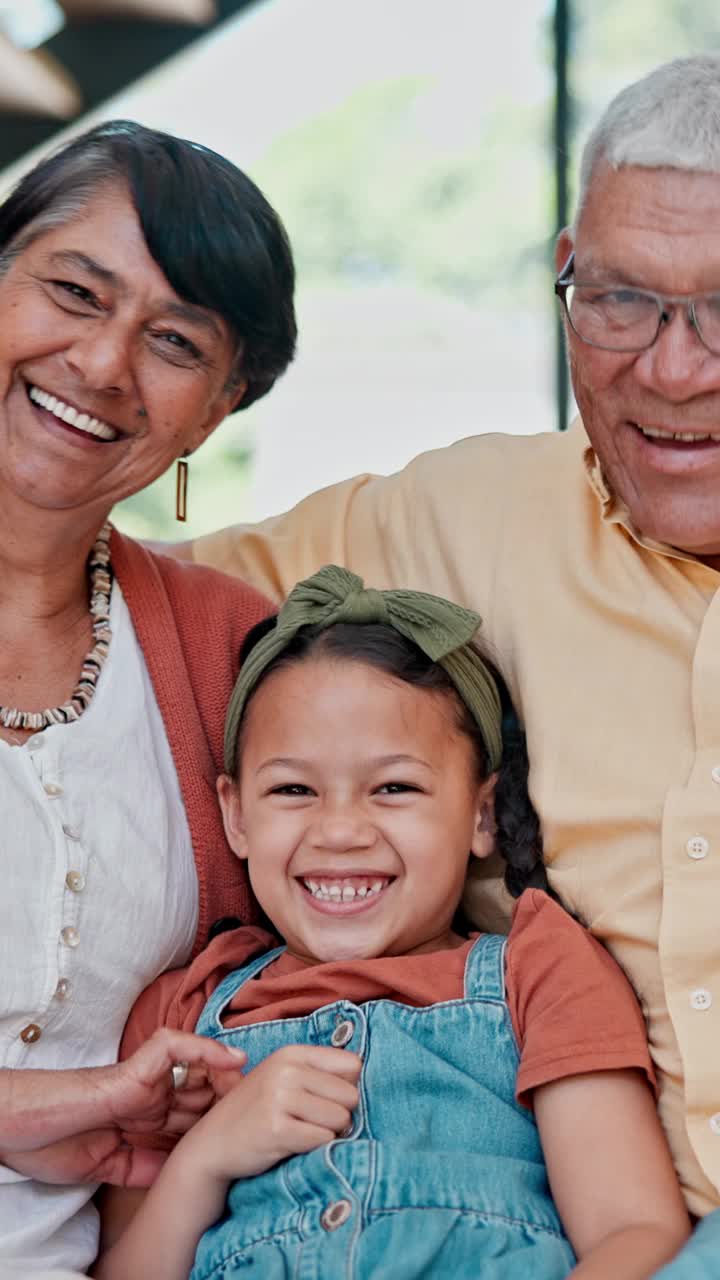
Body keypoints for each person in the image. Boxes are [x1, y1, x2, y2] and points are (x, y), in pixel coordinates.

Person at [178, 53, 720, 1261]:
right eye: (622, 298)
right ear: (566, 266)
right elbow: (105, 572)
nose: (674, 370)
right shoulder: (473, 510)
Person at [92, 566, 689, 1280]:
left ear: (482, 814)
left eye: (395, 787)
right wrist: (205, 1157)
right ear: (235, 815)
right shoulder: (183, 1015)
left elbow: (636, 1233)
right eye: (293, 789)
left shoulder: (539, 967)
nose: (340, 831)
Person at [0, 118, 297, 1275]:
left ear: (218, 410)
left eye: (175, 342)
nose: (103, 364)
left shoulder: (229, 653)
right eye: (74, 290)